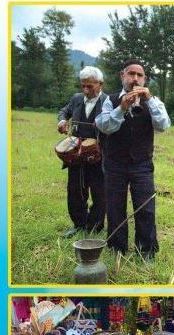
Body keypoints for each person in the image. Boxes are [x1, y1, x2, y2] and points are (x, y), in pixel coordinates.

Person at [96, 59, 171, 260]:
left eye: (139, 75)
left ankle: (146, 250)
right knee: (114, 207)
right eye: (131, 74)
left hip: (142, 164)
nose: (135, 78)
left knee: (145, 207)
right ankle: (117, 248)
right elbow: (104, 126)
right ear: (123, 76)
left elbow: (164, 125)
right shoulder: (110, 100)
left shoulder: (153, 101)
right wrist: (121, 108)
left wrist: (150, 99)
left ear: (144, 79)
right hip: (114, 164)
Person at [57, 66, 107, 238]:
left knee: (100, 193)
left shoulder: (109, 102)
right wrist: (62, 120)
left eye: (90, 86)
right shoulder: (77, 98)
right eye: (83, 86)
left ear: (100, 84)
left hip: (99, 156)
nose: (86, 90)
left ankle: (94, 226)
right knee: (75, 191)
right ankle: (79, 224)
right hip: (76, 155)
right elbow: (64, 111)